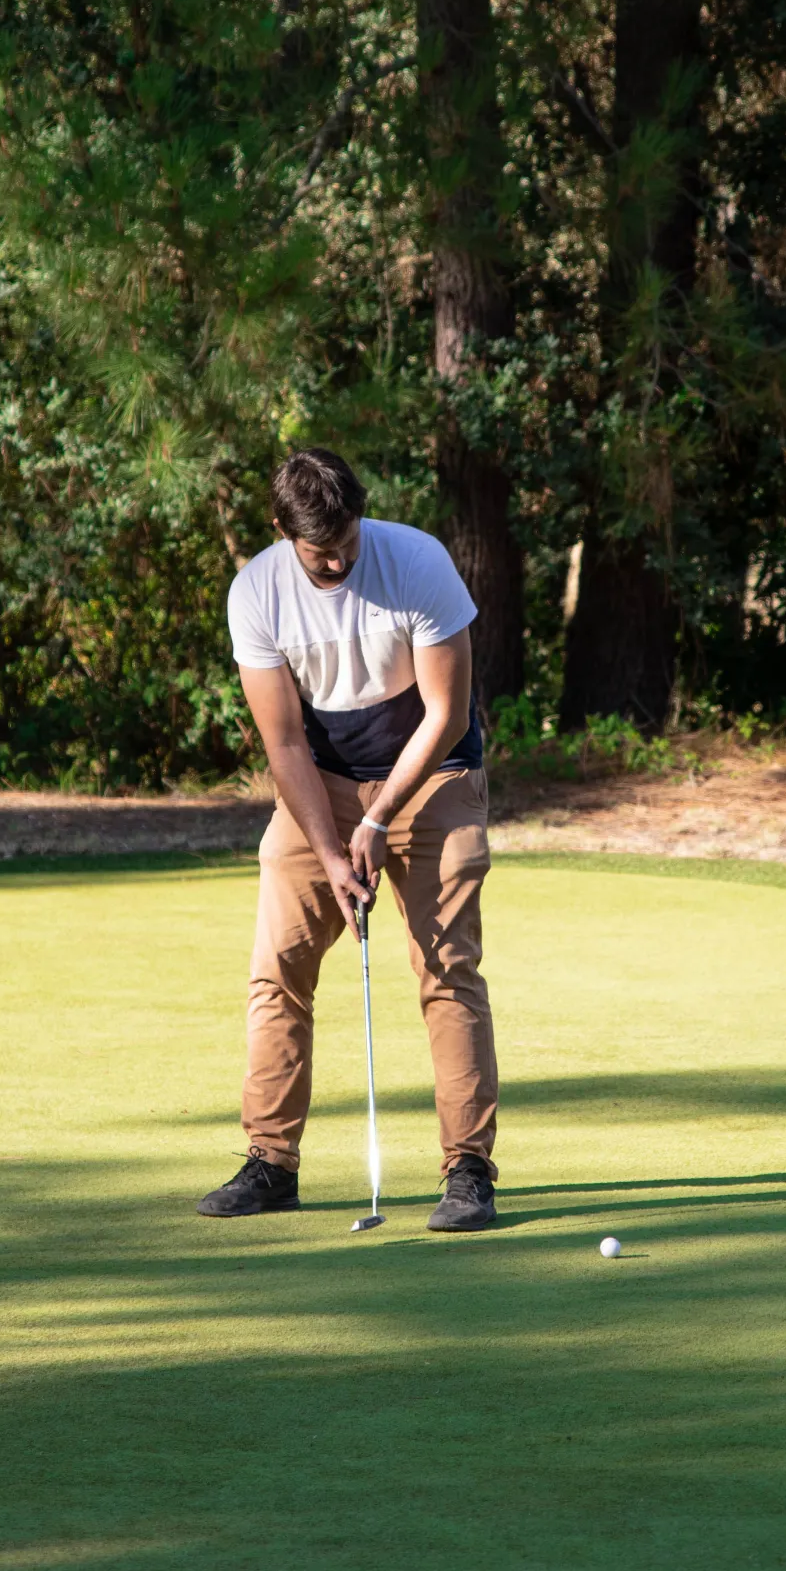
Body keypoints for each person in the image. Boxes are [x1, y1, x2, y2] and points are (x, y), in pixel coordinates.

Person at [197, 446, 500, 1231]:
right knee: (278, 968)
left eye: (346, 542)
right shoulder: (256, 592)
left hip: (434, 774)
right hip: (322, 782)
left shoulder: (418, 562)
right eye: (319, 551)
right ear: (281, 531)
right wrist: (333, 851)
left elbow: (446, 715)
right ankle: (271, 1163)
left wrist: (376, 819)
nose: (337, 561)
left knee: (447, 968)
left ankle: (468, 1170)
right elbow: (283, 742)